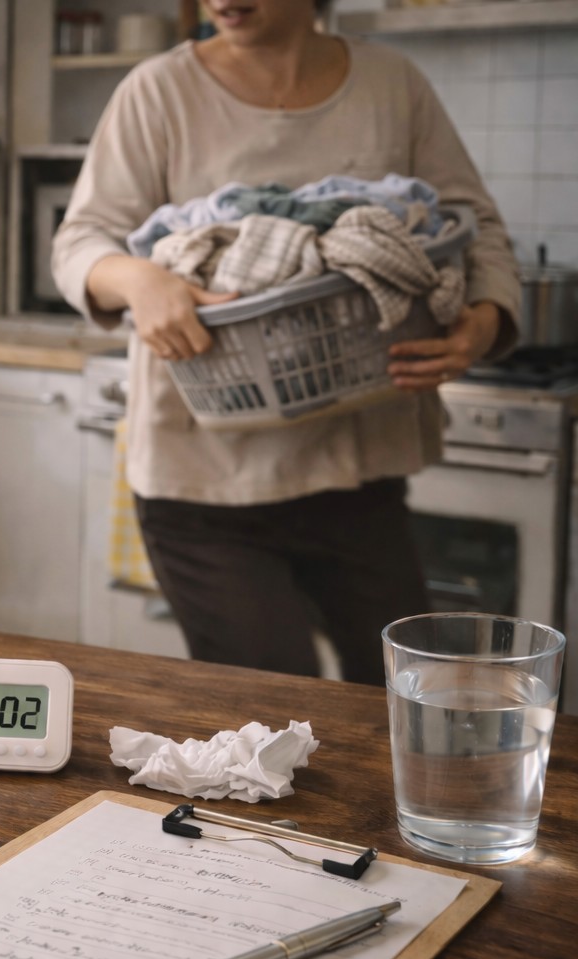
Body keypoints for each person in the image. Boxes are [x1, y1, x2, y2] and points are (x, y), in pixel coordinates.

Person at [52, 0, 520, 684]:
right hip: (205, 484)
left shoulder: (393, 84)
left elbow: (475, 223)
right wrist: (137, 278)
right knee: (268, 716)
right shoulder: (158, 90)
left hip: (357, 472)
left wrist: (484, 317)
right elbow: (79, 241)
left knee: (411, 700)